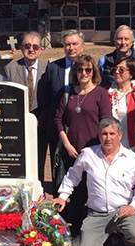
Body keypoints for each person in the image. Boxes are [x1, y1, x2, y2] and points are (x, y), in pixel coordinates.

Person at [53, 117, 135, 246]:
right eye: (104, 134)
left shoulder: (132, 158)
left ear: (120, 135)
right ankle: (102, 239)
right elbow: (73, 175)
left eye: (112, 134)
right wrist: (63, 196)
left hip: (122, 212)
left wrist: (133, 206)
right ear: (99, 136)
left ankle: (127, 243)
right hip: (96, 214)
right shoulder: (88, 154)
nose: (108, 138)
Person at [54, 54, 111, 234]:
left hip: (94, 150)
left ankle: (96, 230)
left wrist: (99, 147)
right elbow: (58, 120)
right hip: (72, 149)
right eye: (80, 70)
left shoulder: (101, 93)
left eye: (88, 69)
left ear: (93, 72)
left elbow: (106, 121)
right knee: (75, 190)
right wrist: (66, 143)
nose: (84, 73)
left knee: (93, 189)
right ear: (75, 72)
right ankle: (76, 229)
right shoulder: (68, 93)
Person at [38, 29, 85, 188]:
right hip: (57, 128)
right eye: (67, 44)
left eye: (75, 44)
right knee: (58, 167)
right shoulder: (53, 68)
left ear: (82, 46)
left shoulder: (88, 68)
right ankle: (59, 201)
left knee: (82, 166)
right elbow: (44, 99)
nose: (71, 48)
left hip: (81, 127)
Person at [5, 32, 48, 182]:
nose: (31, 49)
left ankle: (38, 193)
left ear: (41, 49)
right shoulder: (10, 68)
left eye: (35, 46)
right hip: (16, 127)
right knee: (18, 164)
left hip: (41, 125)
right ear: (21, 48)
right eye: (27, 46)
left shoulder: (48, 68)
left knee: (38, 163)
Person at [107, 56, 135, 154]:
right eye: (115, 69)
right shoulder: (106, 95)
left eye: (121, 70)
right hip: (112, 149)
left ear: (131, 74)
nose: (117, 72)